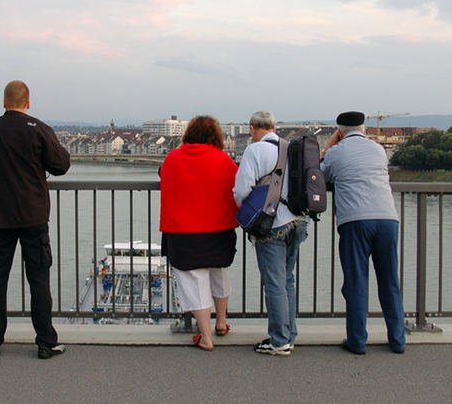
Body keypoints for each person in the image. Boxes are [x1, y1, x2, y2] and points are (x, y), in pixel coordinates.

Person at [0, 80, 71, 359]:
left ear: (3, 102)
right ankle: (46, 342)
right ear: (28, 103)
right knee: (38, 278)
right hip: (32, 215)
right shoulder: (37, 129)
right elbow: (60, 165)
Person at [321, 111, 405, 355]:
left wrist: (327, 148)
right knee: (390, 281)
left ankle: (357, 341)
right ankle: (398, 340)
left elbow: (322, 175)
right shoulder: (378, 150)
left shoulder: (337, 152)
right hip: (388, 218)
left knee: (356, 282)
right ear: (364, 129)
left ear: (339, 132)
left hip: (355, 220)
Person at [159, 115, 239, 351]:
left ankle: (206, 337)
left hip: (184, 232)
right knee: (218, 274)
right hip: (219, 229)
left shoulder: (173, 157)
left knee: (195, 283)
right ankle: (222, 323)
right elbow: (237, 183)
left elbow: (163, 175)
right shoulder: (223, 159)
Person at [233, 111, 307, 356]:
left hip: (270, 226)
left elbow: (241, 190)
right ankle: (289, 334)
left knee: (274, 282)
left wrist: (249, 210)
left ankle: (278, 341)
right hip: (297, 222)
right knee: (287, 280)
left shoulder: (255, 151)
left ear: (253, 128)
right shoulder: (291, 147)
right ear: (274, 127)